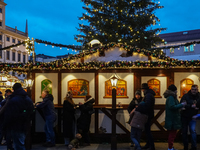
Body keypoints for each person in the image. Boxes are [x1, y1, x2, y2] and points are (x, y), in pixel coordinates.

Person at [2, 83, 34, 150]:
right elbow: (31, 112)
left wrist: (5, 125)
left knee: (18, 144)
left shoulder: (13, 100)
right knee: (21, 142)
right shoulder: (27, 98)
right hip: (25, 124)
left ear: (14, 90)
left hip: (15, 125)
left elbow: (9, 114)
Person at [163, 84, 186, 150]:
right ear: (174, 91)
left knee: (172, 134)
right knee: (172, 135)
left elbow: (173, 106)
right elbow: (172, 107)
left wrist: (180, 107)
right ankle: (170, 148)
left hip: (172, 119)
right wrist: (181, 105)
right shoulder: (171, 97)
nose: (177, 91)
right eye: (176, 90)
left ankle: (170, 147)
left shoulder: (171, 97)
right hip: (173, 119)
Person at [180, 84, 200, 150]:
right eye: (193, 89)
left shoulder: (199, 96)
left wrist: (198, 108)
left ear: (198, 90)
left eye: (195, 89)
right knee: (184, 132)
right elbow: (182, 104)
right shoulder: (186, 96)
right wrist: (190, 106)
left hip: (193, 116)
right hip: (184, 116)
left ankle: (194, 147)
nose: (194, 91)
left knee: (193, 131)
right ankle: (185, 146)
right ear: (191, 89)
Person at [139, 83, 155, 150]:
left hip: (147, 115)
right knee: (147, 130)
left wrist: (141, 106)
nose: (142, 91)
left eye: (142, 89)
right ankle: (148, 145)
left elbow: (147, 105)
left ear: (144, 89)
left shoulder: (148, 95)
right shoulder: (149, 94)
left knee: (147, 131)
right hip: (149, 114)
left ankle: (151, 146)